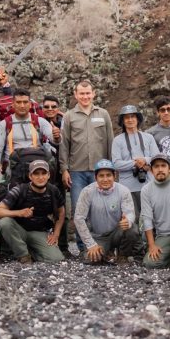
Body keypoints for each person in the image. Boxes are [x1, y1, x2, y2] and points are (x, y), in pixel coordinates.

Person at [59, 80, 114, 252]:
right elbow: (64, 144)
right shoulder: (69, 116)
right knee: (79, 209)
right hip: (77, 171)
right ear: (76, 95)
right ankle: (84, 247)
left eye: (88, 93)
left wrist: (111, 170)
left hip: (100, 171)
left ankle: (103, 245)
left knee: (101, 208)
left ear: (93, 93)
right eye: (81, 93)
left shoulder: (103, 114)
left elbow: (109, 141)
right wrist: (64, 169)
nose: (85, 96)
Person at [0, 160, 65, 263]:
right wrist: (19, 213)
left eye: (44, 173)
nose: (40, 177)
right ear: (30, 176)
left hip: (40, 232)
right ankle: (24, 256)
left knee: (56, 258)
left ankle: (32, 250)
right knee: (5, 222)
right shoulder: (19, 190)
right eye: (36, 174)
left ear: (48, 175)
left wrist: (56, 234)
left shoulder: (54, 191)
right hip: (19, 230)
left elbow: (61, 212)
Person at [73, 159, 140, 264]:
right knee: (91, 259)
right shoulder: (87, 192)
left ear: (114, 176)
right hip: (99, 237)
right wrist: (91, 244)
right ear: (95, 177)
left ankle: (123, 255)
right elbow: (78, 218)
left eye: (108, 175)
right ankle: (106, 253)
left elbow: (130, 212)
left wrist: (128, 220)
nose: (105, 179)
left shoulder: (123, 190)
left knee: (132, 229)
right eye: (101, 176)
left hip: (117, 232)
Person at [0, 88, 54, 173]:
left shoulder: (40, 121)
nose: (22, 105)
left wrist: (56, 137)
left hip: (36, 167)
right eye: (18, 102)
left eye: (25, 102)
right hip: (12, 168)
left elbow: (54, 139)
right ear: (13, 104)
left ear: (30, 104)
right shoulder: (4, 124)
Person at [112, 105, 160, 218]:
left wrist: (145, 160)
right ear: (122, 121)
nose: (130, 120)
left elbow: (157, 158)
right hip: (128, 188)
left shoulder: (148, 137)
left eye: (132, 116)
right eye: (126, 117)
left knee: (152, 217)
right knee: (134, 219)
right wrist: (134, 163)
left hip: (148, 184)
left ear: (138, 119)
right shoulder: (117, 140)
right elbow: (116, 164)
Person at [42, 94, 68, 253]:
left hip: (60, 171)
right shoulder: (37, 122)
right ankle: (43, 244)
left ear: (58, 108)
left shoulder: (66, 123)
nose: (50, 109)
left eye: (53, 106)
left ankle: (63, 245)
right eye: (46, 107)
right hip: (41, 172)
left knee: (61, 207)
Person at [146, 96, 170, 167]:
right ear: (158, 112)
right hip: (162, 173)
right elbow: (149, 156)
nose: (166, 112)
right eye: (162, 110)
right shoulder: (150, 133)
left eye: (169, 109)